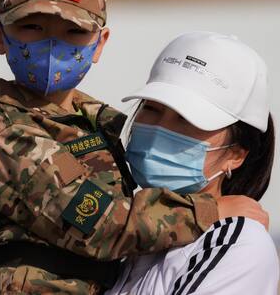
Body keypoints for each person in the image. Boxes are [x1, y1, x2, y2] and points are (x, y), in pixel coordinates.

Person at [0, 0, 268, 294]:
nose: (52, 44)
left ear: (99, 43)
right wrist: (209, 210)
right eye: (32, 26)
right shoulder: (9, 134)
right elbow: (102, 225)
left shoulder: (95, 121)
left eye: (73, 31)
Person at [106, 31, 279, 295]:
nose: (160, 129)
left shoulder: (236, 243)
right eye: (152, 109)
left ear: (237, 154)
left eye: (187, 120)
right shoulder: (120, 227)